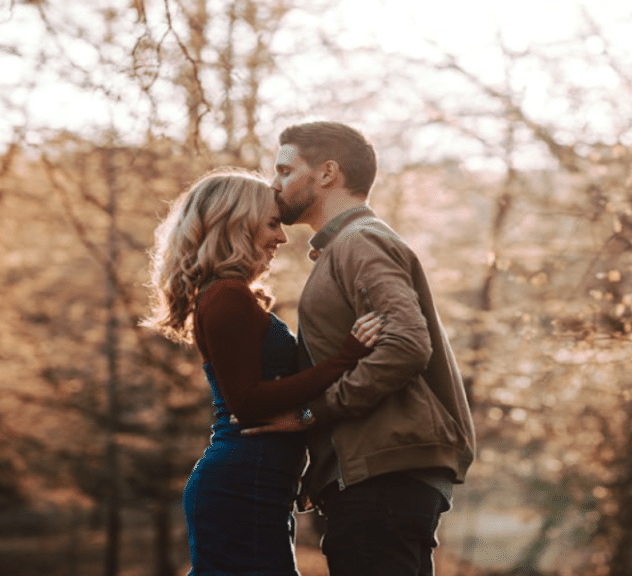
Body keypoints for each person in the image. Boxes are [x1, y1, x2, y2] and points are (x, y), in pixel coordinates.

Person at [245, 121, 476, 576]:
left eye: (285, 170)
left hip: (383, 482)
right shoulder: (343, 249)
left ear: (327, 172)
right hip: (372, 480)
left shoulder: (360, 241)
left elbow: (406, 344)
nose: (275, 184)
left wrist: (313, 414)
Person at [143, 167, 385, 576]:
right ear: (238, 223)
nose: (282, 237)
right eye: (272, 223)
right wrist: (345, 358)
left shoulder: (231, 295)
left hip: (261, 482)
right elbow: (248, 402)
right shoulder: (226, 296)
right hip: (242, 482)